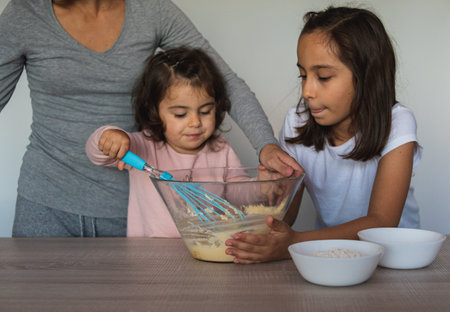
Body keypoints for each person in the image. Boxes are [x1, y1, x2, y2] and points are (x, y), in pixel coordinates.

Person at [0, 0, 301, 237]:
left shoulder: (151, 9)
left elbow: (223, 82)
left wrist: (266, 146)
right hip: (45, 205)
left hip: (135, 213)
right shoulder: (23, 14)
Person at [225, 6, 423, 263]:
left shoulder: (397, 123)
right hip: (330, 257)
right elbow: (288, 217)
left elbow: (382, 224)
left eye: (324, 76)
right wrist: (274, 193)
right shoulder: (297, 122)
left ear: (367, 77)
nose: (307, 91)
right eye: (303, 75)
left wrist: (294, 243)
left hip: (397, 262)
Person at [86, 47, 248, 237]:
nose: (195, 122)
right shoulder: (142, 146)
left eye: (205, 111)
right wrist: (109, 137)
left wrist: (263, 187)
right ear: (154, 111)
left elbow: (240, 191)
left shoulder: (221, 149)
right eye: (180, 114)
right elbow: (97, 155)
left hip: (208, 248)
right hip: (150, 257)